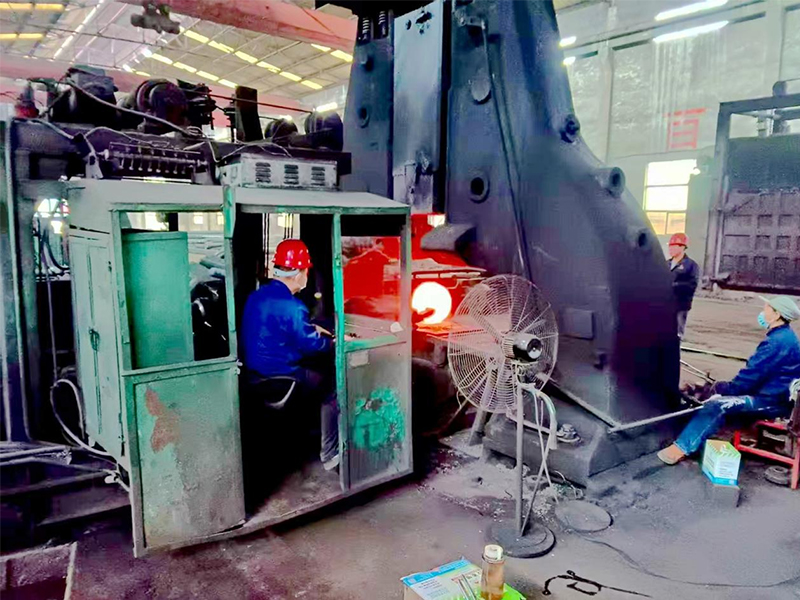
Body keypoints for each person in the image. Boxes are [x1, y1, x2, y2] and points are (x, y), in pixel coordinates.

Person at [658, 295, 800, 465]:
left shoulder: (776, 343)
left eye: (767, 309)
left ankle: (681, 448)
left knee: (716, 405)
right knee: (717, 391)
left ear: (777, 315)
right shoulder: (785, 337)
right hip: (775, 395)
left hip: (771, 401)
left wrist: (726, 391)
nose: (763, 312)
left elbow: (750, 377)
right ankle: (693, 431)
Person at [240, 239, 340, 471]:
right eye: (306, 271)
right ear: (299, 273)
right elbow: (313, 346)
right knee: (332, 387)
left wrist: (311, 328)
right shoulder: (294, 307)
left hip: (254, 375)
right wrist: (332, 342)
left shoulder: (256, 297)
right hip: (282, 379)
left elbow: (275, 329)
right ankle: (331, 454)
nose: (307, 277)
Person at [667, 232, 699, 338]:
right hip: (666, 303)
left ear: (682, 247)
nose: (670, 249)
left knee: (677, 332)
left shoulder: (691, 265)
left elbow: (692, 284)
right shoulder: (666, 264)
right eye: (670, 246)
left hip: (681, 304)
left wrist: (674, 285)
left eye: (673, 246)